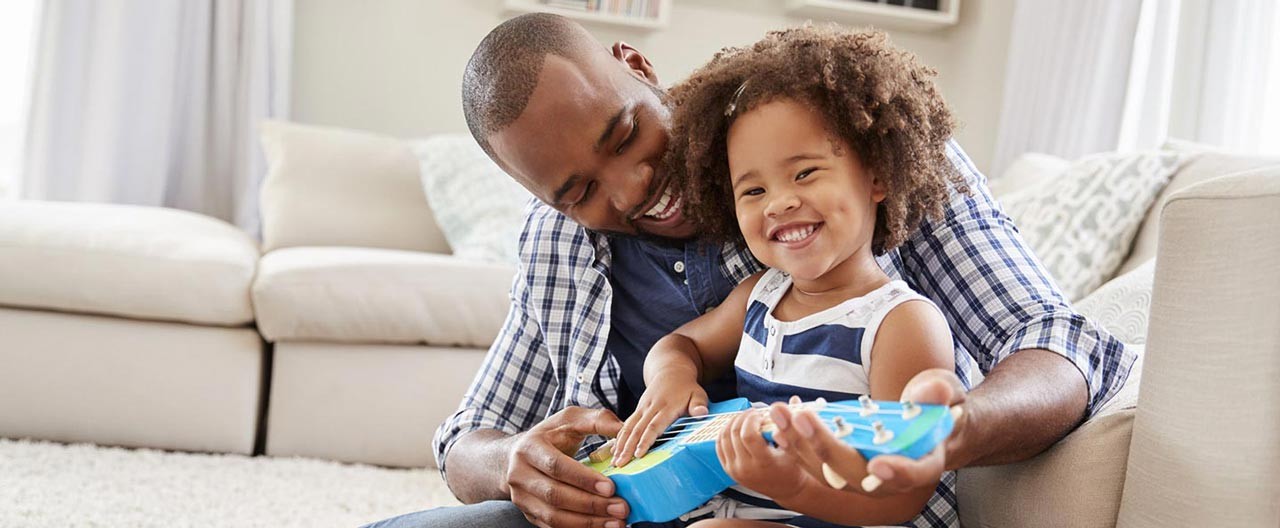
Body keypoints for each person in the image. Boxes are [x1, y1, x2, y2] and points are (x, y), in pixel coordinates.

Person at [363, 13, 1132, 528]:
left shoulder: (843, 151)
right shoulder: (557, 246)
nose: (630, 189)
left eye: (626, 133)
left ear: (637, 65)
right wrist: (511, 467)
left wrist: (944, 433)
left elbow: (1056, 341)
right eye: (579, 191)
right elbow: (466, 438)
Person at [608, 25, 974, 527]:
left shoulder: (901, 323)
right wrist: (672, 377)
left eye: (804, 173)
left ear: (878, 176)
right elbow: (679, 345)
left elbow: (899, 501)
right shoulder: (760, 295)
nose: (779, 202)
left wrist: (793, 486)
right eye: (752, 191)